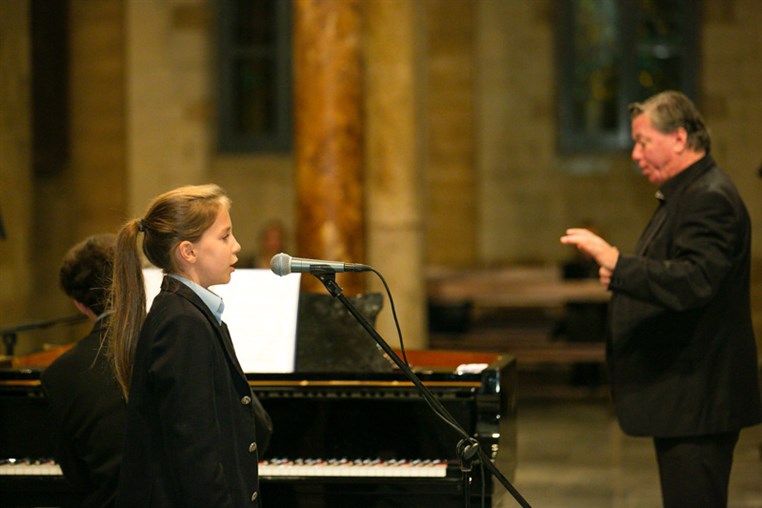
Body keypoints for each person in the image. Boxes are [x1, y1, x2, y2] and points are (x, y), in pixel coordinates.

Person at [561, 91, 762, 507]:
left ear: (679, 138)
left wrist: (619, 265)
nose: (635, 154)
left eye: (643, 141)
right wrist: (623, 276)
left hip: (700, 399)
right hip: (686, 398)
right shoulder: (687, 193)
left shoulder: (709, 197)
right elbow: (677, 271)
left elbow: (694, 280)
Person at [108, 184, 272, 507]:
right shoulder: (182, 323)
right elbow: (196, 457)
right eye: (225, 236)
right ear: (188, 252)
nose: (237, 246)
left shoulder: (188, 313)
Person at [40, 234, 127, 507]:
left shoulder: (57, 374)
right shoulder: (172, 344)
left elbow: (76, 476)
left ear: (79, 305)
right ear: (135, 283)